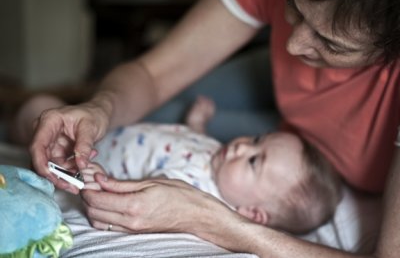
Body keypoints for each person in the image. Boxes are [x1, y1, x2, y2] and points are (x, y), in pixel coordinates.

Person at [28, 0, 400, 257]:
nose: (293, 44)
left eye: (331, 42)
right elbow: (152, 74)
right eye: (294, 4)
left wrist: (216, 222)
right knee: (153, 111)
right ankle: (40, 102)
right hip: (286, 115)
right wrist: (99, 108)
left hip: (296, 131)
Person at [15, 94, 341, 234]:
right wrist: (197, 123)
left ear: (252, 213)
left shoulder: (196, 192)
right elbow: (192, 142)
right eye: (256, 139)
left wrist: (100, 179)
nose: (242, 146)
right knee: (47, 109)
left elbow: (139, 198)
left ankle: (20, 126)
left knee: (35, 113)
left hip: (80, 156)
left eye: (255, 160)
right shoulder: (220, 155)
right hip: (101, 132)